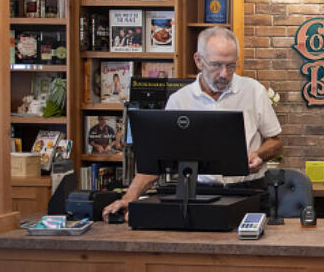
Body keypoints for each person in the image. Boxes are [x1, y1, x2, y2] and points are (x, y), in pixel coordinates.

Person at [102, 26, 282, 220]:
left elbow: (276, 142)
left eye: (230, 66)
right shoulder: (180, 100)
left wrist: (259, 154)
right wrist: (129, 198)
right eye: (216, 65)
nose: (224, 73)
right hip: (199, 193)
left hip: (249, 191)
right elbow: (156, 161)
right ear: (198, 60)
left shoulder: (253, 91)